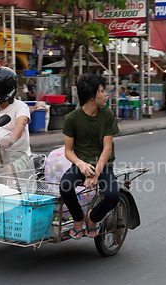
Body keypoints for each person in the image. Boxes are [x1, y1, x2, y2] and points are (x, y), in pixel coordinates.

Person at [59, 73, 120, 240]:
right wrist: (80, 164)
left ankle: (92, 217)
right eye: (102, 91)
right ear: (92, 96)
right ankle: (78, 218)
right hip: (82, 164)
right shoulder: (71, 119)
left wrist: (96, 173)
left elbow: (107, 148)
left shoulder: (107, 115)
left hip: (102, 164)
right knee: (64, 186)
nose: (106, 94)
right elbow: (68, 151)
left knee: (114, 196)